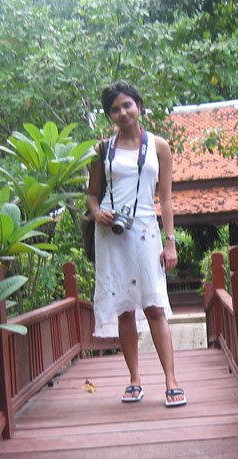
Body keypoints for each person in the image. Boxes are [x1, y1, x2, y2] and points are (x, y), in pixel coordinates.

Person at [85, 80, 186, 408]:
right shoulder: (102, 150)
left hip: (145, 231)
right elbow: (91, 194)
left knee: (154, 306)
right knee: (125, 309)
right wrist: (96, 212)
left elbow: (166, 199)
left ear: (139, 106)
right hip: (111, 233)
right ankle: (134, 379)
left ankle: (171, 380)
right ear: (109, 116)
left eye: (127, 105)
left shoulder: (159, 146)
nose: (123, 112)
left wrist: (170, 243)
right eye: (115, 109)